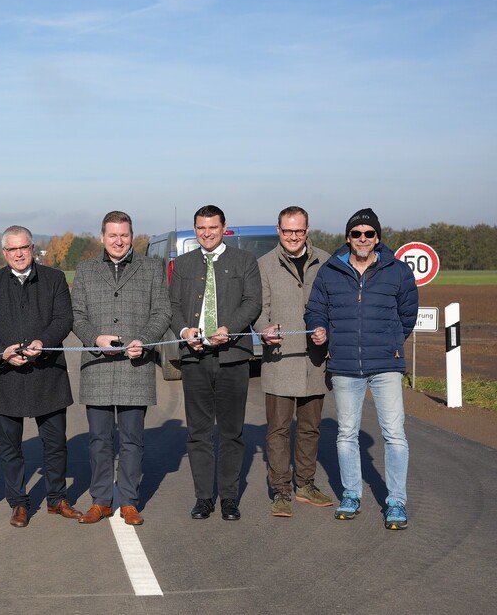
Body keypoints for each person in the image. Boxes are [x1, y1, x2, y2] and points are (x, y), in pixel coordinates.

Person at [305, 208, 418, 530]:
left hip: (386, 364)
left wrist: (391, 341)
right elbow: (316, 309)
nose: (363, 239)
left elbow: (407, 315)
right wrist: (318, 327)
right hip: (343, 364)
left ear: (378, 237)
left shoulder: (397, 271)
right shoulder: (331, 271)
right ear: (348, 238)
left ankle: (396, 501)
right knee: (346, 434)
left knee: (394, 434)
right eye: (357, 234)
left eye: (369, 234)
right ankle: (351, 494)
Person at [0, 225, 81, 527]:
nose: (19, 254)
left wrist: (42, 344)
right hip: (5, 376)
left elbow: (64, 319)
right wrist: (0, 352)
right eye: (12, 249)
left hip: (47, 374)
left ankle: (57, 499)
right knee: (10, 447)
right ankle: (18, 503)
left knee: (55, 443)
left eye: (24, 247)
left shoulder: (54, 279)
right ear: (4, 252)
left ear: (32, 248)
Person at [70, 211, 171, 526]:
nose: (118, 241)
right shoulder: (86, 270)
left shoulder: (152, 268)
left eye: (124, 235)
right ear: (102, 237)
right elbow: (76, 314)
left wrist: (145, 339)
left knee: (132, 438)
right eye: (112, 235)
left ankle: (128, 500)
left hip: (135, 364)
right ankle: (100, 500)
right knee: (99, 439)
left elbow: (162, 311)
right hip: (97, 365)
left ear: (132, 236)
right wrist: (93, 338)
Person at [170, 205, 262, 521]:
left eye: (212, 227)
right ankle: (204, 498)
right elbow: (173, 305)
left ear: (223, 227)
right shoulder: (182, 264)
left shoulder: (245, 261)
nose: (206, 233)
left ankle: (229, 498)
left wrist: (230, 329)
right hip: (194, 358)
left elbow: (253, 302)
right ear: (195, 229)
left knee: (231, 431)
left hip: (232, 356)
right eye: (200, 228)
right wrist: (184, 332)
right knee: (198, 432)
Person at [255, 206, 335, 517]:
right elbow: (258, 309)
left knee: (310, 428)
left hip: (314, 362)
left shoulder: (326, 262)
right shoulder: (263, 265)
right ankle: (281, 491)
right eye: (287, 231)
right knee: (277, 430)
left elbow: (334, 304)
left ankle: (306, 485)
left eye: (298, 231)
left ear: (307, 229)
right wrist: (264, 330)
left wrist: (328, 333)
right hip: (280, 360)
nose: (292, 236)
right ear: (278, 230)